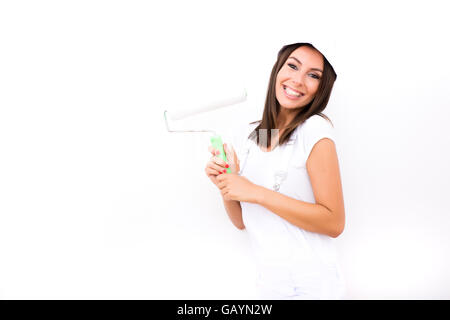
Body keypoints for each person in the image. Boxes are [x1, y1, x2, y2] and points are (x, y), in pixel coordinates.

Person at [204, 42, 346, 299]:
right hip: (269, 285)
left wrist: (255, 191)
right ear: (277, 70)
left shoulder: (314, 129)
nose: (298, 80)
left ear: (321, 89)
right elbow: (240, 222)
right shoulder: (250, 136)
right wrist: (226, 184)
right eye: (292, 66)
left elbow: (333, 222)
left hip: (313, 285)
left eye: (313, 75)